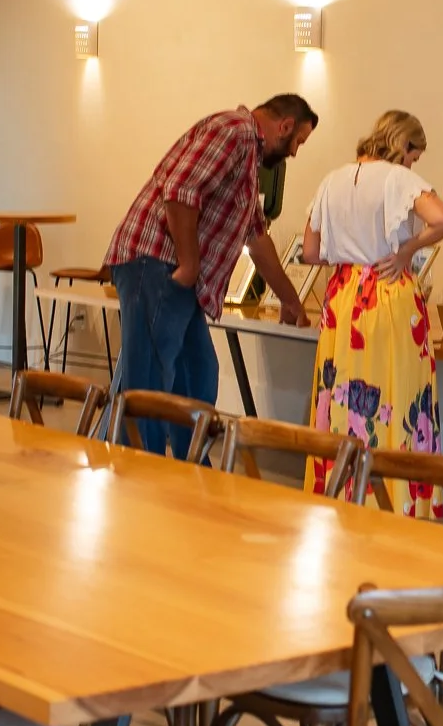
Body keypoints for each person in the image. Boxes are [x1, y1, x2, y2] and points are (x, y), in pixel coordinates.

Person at [104, 95, 318, 456]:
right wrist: (189, 265)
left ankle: (190, 465)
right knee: (148, 383)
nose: (295, 152)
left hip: (175, 274)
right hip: (157, 264)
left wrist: (291, 300)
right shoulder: (235, 131)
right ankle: (138, 469)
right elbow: (180, 191)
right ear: (284, 126)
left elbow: (256, 238)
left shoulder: (248, 158)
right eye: (298, 141)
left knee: (198, 372)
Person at [302, 110, 443, 516]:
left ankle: (341, 495)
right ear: (403, 145)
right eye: (413, 157)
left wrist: (349, 253)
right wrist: (407, 249)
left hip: (342, 300)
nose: (412, 166)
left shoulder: (331, 180)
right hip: (387, 294)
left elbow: (311, 252)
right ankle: (395, 501)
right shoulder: (397, 178)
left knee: (340, 395)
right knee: (396, 394)